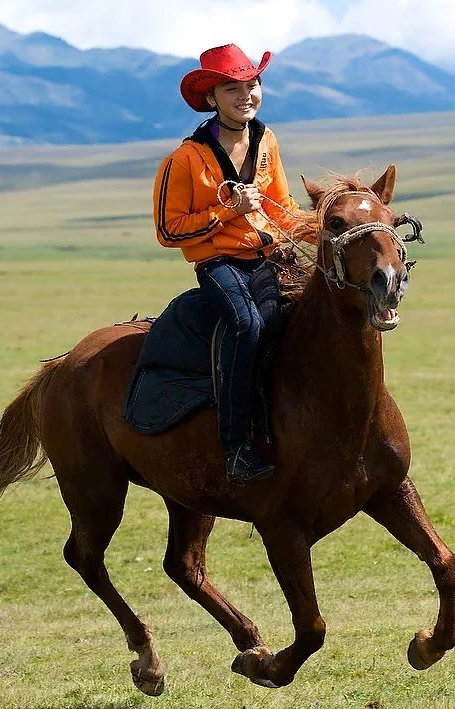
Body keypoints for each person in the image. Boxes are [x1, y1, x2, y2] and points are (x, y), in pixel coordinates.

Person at [152, 43, 302, 482]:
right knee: (246, 325)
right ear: (211, 98)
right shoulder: (184, 160)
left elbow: (280, 205)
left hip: (264, 256)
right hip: (218, 263)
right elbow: (168, 230)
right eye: (232, 88)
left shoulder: (267, 140)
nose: (246, 95)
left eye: (253, 84)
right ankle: (235, 446)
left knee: (287, 326)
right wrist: (227, 213)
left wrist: (310, 230)